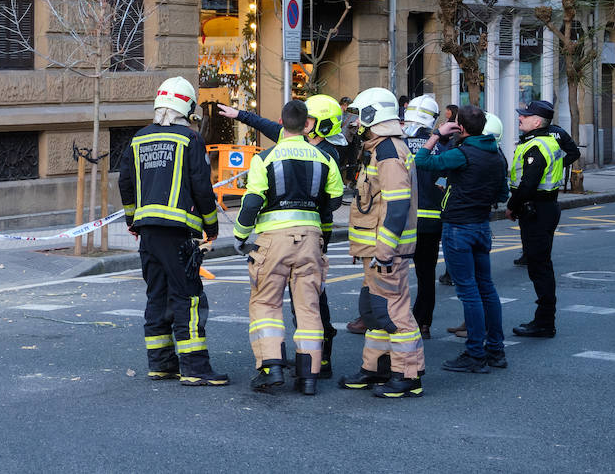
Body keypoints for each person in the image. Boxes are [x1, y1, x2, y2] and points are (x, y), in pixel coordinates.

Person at [218, 94, 346, 378]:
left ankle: (271, 367)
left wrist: (240, 236)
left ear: (282, 124)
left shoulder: (265, 158)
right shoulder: (325, 157)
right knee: (309, 306)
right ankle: (310, 374)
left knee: (266, 303)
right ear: (306, 125)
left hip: (273, 241)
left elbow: (251, 202)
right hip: (311, 239)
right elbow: (335, 198)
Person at [118, 77, 230, 385]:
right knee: (188, 296)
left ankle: (161, 364)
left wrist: (132, 221)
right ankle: (195, 367)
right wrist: (211, 226)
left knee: (157, 295)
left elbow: (125, 183)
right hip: (178, 234)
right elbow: (202, 187)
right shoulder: (189, 139)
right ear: (188, 107)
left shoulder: (138, 138)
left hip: (148, 234)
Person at [339, 87, 425, 398]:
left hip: (386, 253)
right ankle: (375, 368)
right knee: (375, 311)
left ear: (372, 117)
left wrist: (385, 252)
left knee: (393, 312)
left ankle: (407, 374)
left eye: (358, 117)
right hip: (373, 252)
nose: (354, 123)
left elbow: (397, 205)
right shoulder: (379, 148)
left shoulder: (389, 152)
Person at [413, 106, 510, 373]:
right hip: (481, 226)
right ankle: (495, 350)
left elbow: (421, 161)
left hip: (458, 227)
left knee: (468, 292)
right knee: (486, 289)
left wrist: (435, 136)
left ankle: (475, 353)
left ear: (461, 128)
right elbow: (502, 195)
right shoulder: (496, 155)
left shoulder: (462, 154)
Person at [507, 100, 567, 338]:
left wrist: (512, 205)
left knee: (539, 267)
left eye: (525, 116)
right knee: (541, 265)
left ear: (537, 122)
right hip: (544, 208)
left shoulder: (537, 146)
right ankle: (544, 319)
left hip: (537, 210)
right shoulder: (546, 142)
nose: (520, 118)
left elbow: (529, 183)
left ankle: (544, 322)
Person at [402, 94, 444, 340]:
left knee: (393, 273)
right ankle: (423, 322)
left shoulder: (399, 145)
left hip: (403, 220)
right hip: (432, 221)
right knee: (426, 275)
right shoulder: (441, 146)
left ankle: (391, 320)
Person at [513, 116, 579, 267]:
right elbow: (574, 153)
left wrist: (555, 164)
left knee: (536, 227)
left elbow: (574, 153)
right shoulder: (551, 132)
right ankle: (530, 254)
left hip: (539, 192)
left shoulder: (549, 134)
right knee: (535, 227)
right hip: (545, 193)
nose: (522, 118)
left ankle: (534, 256)